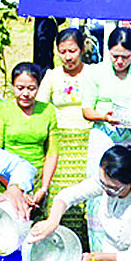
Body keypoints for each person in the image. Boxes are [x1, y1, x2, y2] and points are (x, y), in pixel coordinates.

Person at [28, 145, 131, 261]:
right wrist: (52, 221)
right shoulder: (106, 181)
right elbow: (67, 196)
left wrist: (94, 257)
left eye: (113, 189)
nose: (106, 190)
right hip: (107, 260)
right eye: (102, 184)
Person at [81, 25, 131, 178]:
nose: (120, 61)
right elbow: (87, 110)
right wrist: (104, 117)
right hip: (103, 135)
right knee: (100, 179)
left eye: (125, 57)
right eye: (115, 56)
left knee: (129, 179)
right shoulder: (94, 72)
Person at [36, 27, 99, 200]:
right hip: (60, 140)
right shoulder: (52, 75)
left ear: (82, 49)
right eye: (62, 52)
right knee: (60, 191)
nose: (68, 57)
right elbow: (40, 108)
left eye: (72, 51)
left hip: (88, 138)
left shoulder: (93, 74)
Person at [0, 62, 58, 210]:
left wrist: (43, 188)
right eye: (20, 88)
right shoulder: (1, 110)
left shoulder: (48, 111)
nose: (25, 94)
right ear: (12, 86)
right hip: (6, 180)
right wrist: (16, 189)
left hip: (37, 183)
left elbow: (52, 152)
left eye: (31, 88)